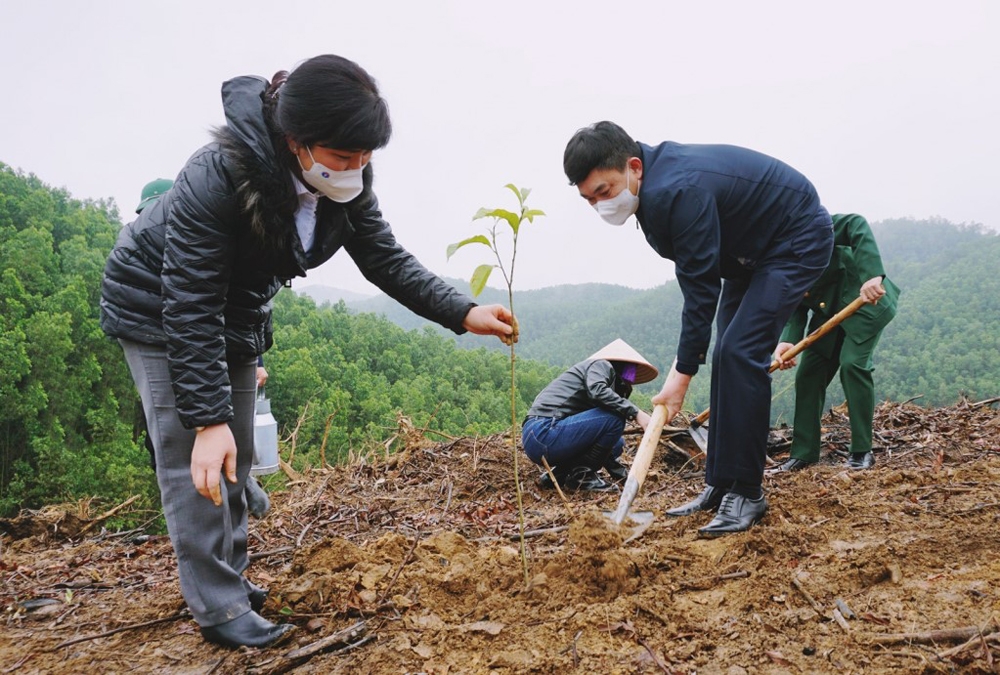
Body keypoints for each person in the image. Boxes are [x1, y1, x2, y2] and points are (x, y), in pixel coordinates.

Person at [101, 55, 516, 649]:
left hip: (237, 311)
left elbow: (384, 258)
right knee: (195, 453)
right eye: (344, 157)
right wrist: (206, 418)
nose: (357, 170)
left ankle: (232, 582)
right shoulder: (219, 174)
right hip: (158, 306)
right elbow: (188, 299)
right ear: (296, 141)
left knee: (239, 453)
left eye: (367, 157)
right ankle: (217, 608)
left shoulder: (342, 186)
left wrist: (462, 311)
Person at [563, 121, 834, 537]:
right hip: (746, 251)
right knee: (728, 350)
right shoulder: (651, 193)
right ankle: (720, 483)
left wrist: (680, 376)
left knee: (739, 352)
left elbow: (700, 288)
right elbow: (699, 270)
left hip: (794, 238)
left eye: (604, 191)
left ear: (634, 166)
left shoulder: (677, 190)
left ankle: (747, 491)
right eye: (589, 198)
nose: (600, 204)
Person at [135, 180, 272, 519]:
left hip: (212, 354)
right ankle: (190, 514)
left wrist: (257, 360)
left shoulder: (204, 245)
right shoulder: (142, 251)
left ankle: (236, 492)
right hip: (160, 353)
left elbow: (242, 307)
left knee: (225, 429)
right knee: (164, 443)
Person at [769, 213, 900, 472]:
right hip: (827, 314)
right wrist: (787, 341)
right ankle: (804, 454)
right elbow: (792, 300)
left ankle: (862, 451)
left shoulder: (801, 223)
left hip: (864, 302)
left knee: (852, 365)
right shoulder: (770, 259)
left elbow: (855, 224)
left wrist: (873, 276)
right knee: (808, 375)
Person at [522, 339, 658, 492]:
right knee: (614, 418)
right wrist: (636, 412)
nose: (630, 376)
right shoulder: (601, 365)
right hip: (544, 431)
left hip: (541, 437)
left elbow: (599, 436)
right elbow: (598, 390)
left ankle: (558, 476)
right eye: (629, 370)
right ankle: (581, 478)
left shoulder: (601, 377)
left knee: (615, 444)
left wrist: (622, 476)